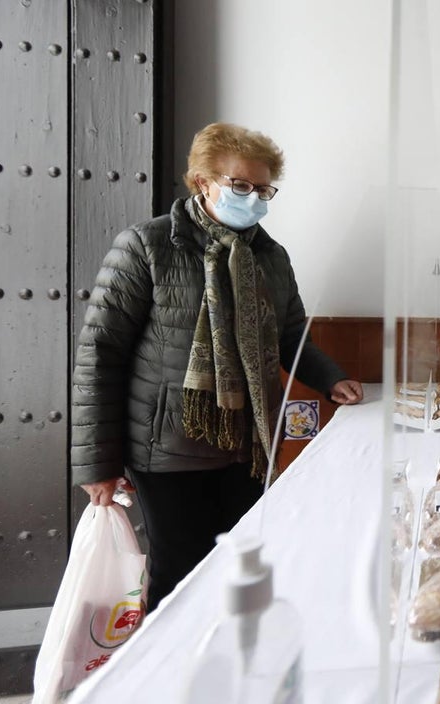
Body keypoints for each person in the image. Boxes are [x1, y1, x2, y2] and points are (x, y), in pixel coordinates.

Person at [70, 122, 364, 609]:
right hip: (168, 450)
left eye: (264, 188)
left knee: (241, 567)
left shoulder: (270, 257)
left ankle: (233, 669)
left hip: (248, 445)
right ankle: (171, 676)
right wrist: (97, 464)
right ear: (202, 182)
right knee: (179, 574)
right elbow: (100, 355)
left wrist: (331, 378)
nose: (254, 198)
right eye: (240, 185)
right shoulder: (147, 246)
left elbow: (290, 335)